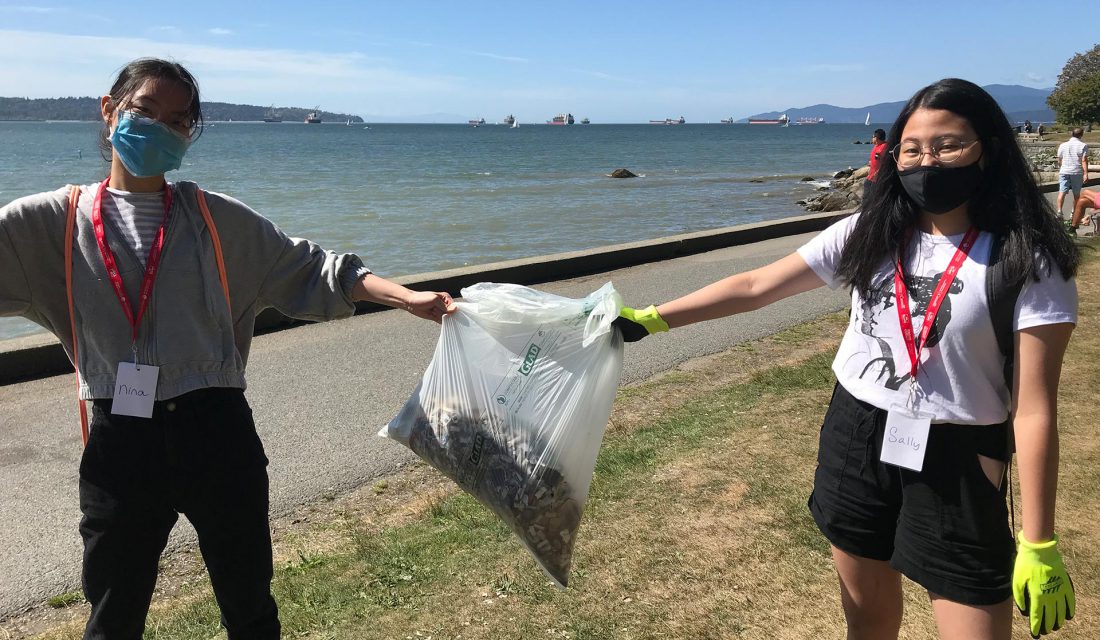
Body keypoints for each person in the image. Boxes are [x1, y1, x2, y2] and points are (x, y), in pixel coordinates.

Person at [0, 58, 455, 639]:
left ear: (190, 135)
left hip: (215, 429)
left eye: (179, 120)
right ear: (110, 111)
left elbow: (316, 269)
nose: (160, 127)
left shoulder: (216, 219)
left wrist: (406, 297)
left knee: (249, 605)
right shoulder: (47, 224)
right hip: (122, 439)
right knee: (113, 613)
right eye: (146, 111)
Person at [614, 78, 1078, 639]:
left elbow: (1033, 410)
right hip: (858, 430)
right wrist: (654, 318)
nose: (927, 160)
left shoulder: (1029, 258)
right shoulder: (872, 231)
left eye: (948, 145)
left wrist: (1039, 539)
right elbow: (759, 284)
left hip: (959, 452)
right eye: (913, 148)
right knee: (865, 615)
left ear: (991, 148)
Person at [1055, 128, 1089, 219]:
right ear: (1081, 135)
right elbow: (1084, 160)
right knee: (1076, 194)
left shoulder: (1063, 145)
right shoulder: (1083, 145)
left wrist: (1063, 167)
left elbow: (1059, 159)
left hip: (1064, 170)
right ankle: (1073, 212)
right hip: (1076, 171)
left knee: (1061, 192)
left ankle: (1059, 211)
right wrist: (1086, 173)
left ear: (1072, 134)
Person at [863, 128, 889, 203]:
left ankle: (871, 211)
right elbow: (877, 159)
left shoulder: (884, 146)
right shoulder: (876, 146)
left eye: (873, 137)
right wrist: (871, 162)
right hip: (871, 176)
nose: (872, 138)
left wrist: (878, 172)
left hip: (877, 177)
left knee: (874, 197)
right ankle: (866, 210)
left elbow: (886, 162)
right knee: (867, 194)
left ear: (877, 138)